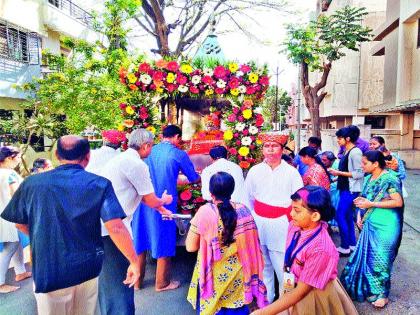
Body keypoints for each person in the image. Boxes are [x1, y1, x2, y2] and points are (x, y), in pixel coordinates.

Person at [1, 136, 140, 315]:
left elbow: (19, 223)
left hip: (49, 268)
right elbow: (115, 227)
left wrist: (41, 238)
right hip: (86, 267)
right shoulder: (99, 184)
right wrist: (133, 261)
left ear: (57, 155)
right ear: (88, 156)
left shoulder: (31, 184)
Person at [98, 129, 173, 315]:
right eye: (152, 146)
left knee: (110, 283)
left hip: (104, 226)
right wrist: (164, 201)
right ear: (146, 146)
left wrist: (160, 208)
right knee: (122, 282)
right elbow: (150, 199)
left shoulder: (121, 159)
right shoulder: (136, 164)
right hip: (113, 229)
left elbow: (143, 198)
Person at [251, 187, 357, 315]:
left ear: (315, 215)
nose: (291, 214)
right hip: (294, 286)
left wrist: (262, 313)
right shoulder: (295, 226)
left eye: (297, 210)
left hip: (314, 295)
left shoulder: (321, 249)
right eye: (292, 209)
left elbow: (301, 292)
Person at [186, 172, 268, 314]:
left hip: (212, 276)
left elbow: (190, 247)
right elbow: (253, 244)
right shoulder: (243, 211)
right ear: (232, 190)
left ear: (211, 192)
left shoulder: (205, 212)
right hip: (238, 276)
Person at [132, 125, 200, 291]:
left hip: (141, 201)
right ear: (176, 137)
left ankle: (137, 281)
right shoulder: (178, 154)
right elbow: (193, 178)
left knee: (139, 238)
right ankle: (162, 282)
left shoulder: (146, 151)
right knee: (164, 238)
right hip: (164, 203)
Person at [245, 132, 303, 303]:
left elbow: (299, 201)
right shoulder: (255, 171)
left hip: (282, 225)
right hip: (259, 224)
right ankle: (267, 303)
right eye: (267, 146)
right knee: (264, 267)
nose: (270, 150)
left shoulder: (292, 173)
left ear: (282, 149)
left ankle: (290, 304)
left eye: (274, 146)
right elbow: (248, 199)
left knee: (285, 268)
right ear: (262, 150)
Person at [341, 150, 404, 309]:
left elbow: (398, 202)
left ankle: (383, 295)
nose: (362, 166)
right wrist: (358, 215)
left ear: (375, 164)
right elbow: (366, 198)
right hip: (369, 221)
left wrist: (371, 205)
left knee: (382, 260)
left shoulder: (390, 178)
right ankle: (370, 288)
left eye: (364, 163)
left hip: (387, 225)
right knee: (368, 258)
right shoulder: (369, 178)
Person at [0, 146, 31, 294]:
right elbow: (16, 194)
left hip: (3, 215)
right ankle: (0, 283)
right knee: (10, 247)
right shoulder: (9, 174)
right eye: (18, 158)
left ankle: (20, 271)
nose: (19, 161)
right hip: (10, 215)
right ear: (9, 158)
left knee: (16, 242)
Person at [329, 127, 364, 256]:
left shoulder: (355, 152)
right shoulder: (346, 151)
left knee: (340, 216)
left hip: (350, 190)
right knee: (348, 217)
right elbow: (349, 171)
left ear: (347, 138)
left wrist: (338, 172)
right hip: (345, 188)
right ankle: (351, 244)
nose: (338, 140)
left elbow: (359, 173)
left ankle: (345, 246)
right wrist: (338, 177)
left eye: (339, 138)